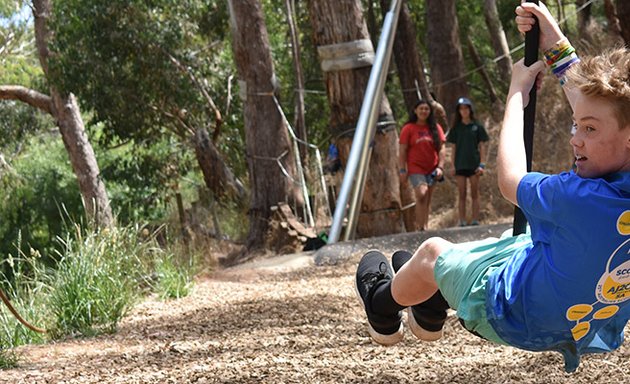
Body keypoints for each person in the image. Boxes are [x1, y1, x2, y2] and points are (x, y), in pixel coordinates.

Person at [355, 1, 630, 373]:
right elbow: (599, 106)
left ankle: (383, 308)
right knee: (513, 238)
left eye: (589, 129)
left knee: (431, 252)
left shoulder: (579, 198)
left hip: (507, 313)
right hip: (583, 325)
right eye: (576, 125)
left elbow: (510, 180)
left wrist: (518, 91)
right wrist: (555, 43)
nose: (575, 139)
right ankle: (430, 305)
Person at [399, 100, 446, 231]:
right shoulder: (408, 128)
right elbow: (402, 150)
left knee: (428, 198)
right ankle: (420, 227)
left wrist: (440, 167)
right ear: (415, 110)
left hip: (432, 168)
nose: (424, 111)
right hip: (415, 168)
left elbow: (442, 148)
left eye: (426, 109)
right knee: (421, 194)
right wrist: (402, 169)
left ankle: (424, 226)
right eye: (421, 108)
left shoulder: (435, 128)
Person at [447, 97, 489, 227]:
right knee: (462, 193)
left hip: (474, 164)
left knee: (475, 193)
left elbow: (482, 146)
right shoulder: (456, 128)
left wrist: (482, 164)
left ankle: (476, 219)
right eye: (461, 109)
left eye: (466, 108)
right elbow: (453, 148)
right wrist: (452, 165)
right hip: (460, 165)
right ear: (458, 111)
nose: (464, 111)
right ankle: (462, 220)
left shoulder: (477, 127)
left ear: (470, 110)